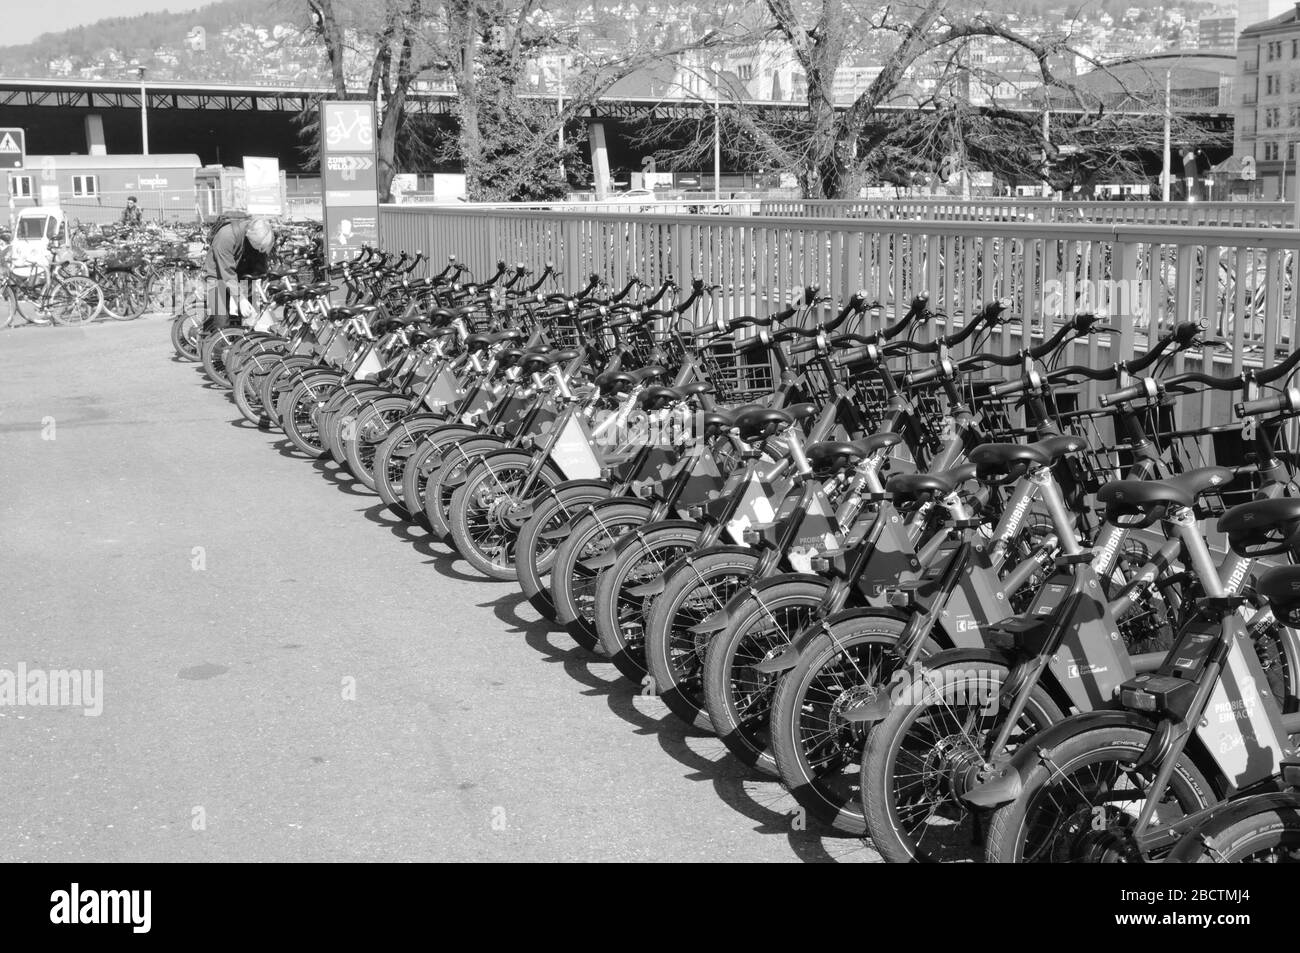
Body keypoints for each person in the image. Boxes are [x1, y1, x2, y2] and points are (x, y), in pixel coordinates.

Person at [202, 216, 276, 332]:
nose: (260, 250)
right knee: (221, 321)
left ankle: (243, 343)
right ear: (249, 237)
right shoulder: (226, 236)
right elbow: (226, 272)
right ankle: (215, 347)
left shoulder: (257, 236)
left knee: (250, 315)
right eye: (259, 247)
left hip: (240, 273)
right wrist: (240, 299)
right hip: (216, 275)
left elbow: (260, 263)